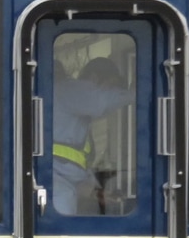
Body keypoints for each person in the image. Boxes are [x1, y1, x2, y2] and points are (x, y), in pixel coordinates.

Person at [53, 57, 134, 215]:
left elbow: (73, 174)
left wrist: (97, 193)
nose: (113, 94)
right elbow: (100, 102)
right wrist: (134, 94)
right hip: (55, 188)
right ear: (94, 78)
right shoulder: (70, 89)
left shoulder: (76, 122)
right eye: (110, 89)